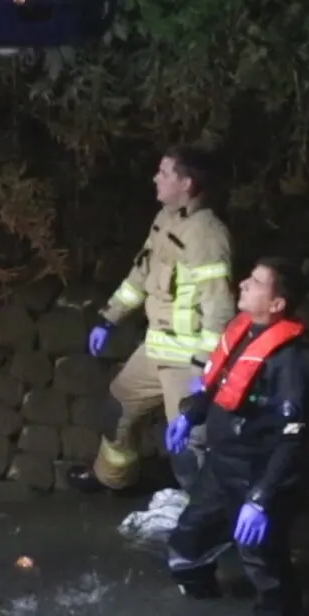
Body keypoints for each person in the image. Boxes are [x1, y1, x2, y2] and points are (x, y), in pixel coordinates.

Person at [65, 147, 234, 494]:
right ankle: (112, 479)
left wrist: (206, 368)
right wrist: (109, 319)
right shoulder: (166, 219)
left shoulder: (208, 235)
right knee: (116, 410)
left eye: (164, 172)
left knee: (190, 445)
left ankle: (202, 518)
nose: (155, 178)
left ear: (186, 183)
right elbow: (141, 275)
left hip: (187, 363)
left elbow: (220, 307)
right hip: (156, 347)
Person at [165, 257, 309, 614]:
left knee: (263, 561)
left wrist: (261, 499)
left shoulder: (292, 361)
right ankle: (201, 590)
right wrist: (190, 414)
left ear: (277, 304)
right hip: (222, 466)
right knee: (188, 539)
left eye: (256, 282)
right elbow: (217, 384)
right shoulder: (245, 332)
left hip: (257, 473)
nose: (243, 284)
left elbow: (292, 438)